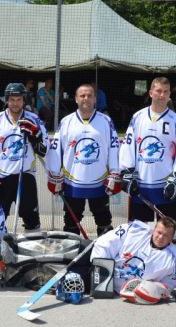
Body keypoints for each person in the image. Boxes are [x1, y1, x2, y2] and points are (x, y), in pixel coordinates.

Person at [119, 76, 176, 248]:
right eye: (158, 91)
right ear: (150, 92)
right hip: (141, 185)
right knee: (137, 231)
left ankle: (173, 262)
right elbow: (128, 146)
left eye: (165, 92)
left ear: (169, 94)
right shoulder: (138, 117)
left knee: (171, 231)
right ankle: (139, 260)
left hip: (166, 186)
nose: (161, 95)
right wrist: (126, 173)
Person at [45, 84, 120, 236]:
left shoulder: (106, 121)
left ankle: (104, 250)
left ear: (95, 99)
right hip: (72, 182)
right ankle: (73, 250)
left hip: (99, 181)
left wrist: (115, 172)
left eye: (89, 95)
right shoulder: (66, 121)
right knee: (71, 222)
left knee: (104, 221)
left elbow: (114, 148)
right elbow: (56, 149)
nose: (86, 98)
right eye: (82, 96)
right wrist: (53, 173)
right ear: (76, 99)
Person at [0, 83, 48, 231]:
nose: (15, 103)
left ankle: (30, 245)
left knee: (31, 219)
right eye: (12, 99)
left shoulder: (34, 119)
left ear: (24, 100)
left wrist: (35, 137)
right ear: (7, 100)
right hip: (1, 177)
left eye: (19, 100)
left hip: (25, 176)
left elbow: (44, 151)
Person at [89, 217, 176, 297]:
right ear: (153, 230)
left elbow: (167, 286)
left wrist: (153, 291)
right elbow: (104, 244)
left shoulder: (175, 261)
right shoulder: (133, 231)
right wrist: (100, 271)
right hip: (101, 277)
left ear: (171, 238)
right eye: (159, 233)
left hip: (132, 293)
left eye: (166, 235)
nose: (160, 238)